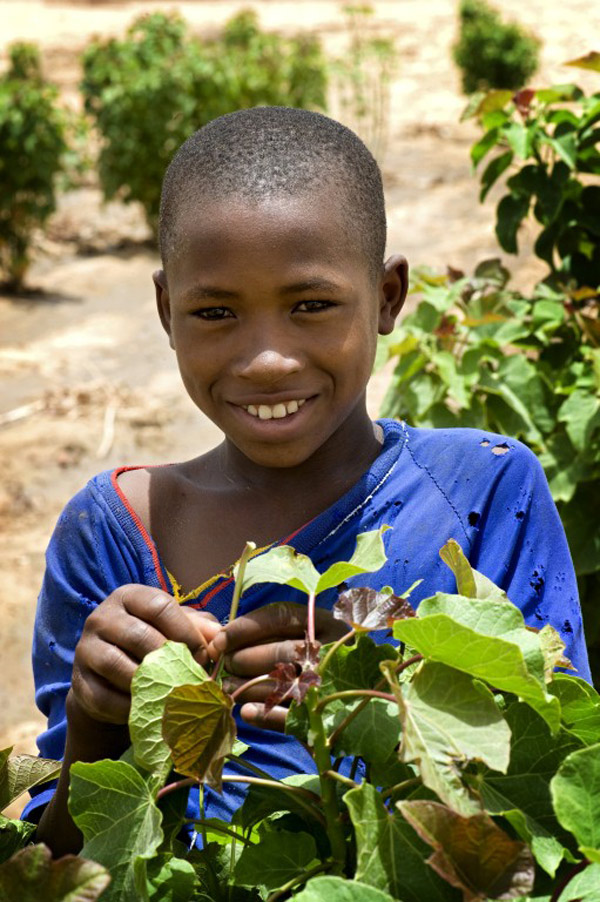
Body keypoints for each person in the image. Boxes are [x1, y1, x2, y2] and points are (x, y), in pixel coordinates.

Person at [24, 106, 591, 857]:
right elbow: (58, 863)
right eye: (216, 311)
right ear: (167, 311)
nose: (267, 359)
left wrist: (383, 686)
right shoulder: (116, 534)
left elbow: (561, 771)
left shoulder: (484, 489)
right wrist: (98, 726)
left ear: (388, 297)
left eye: (312, 306)